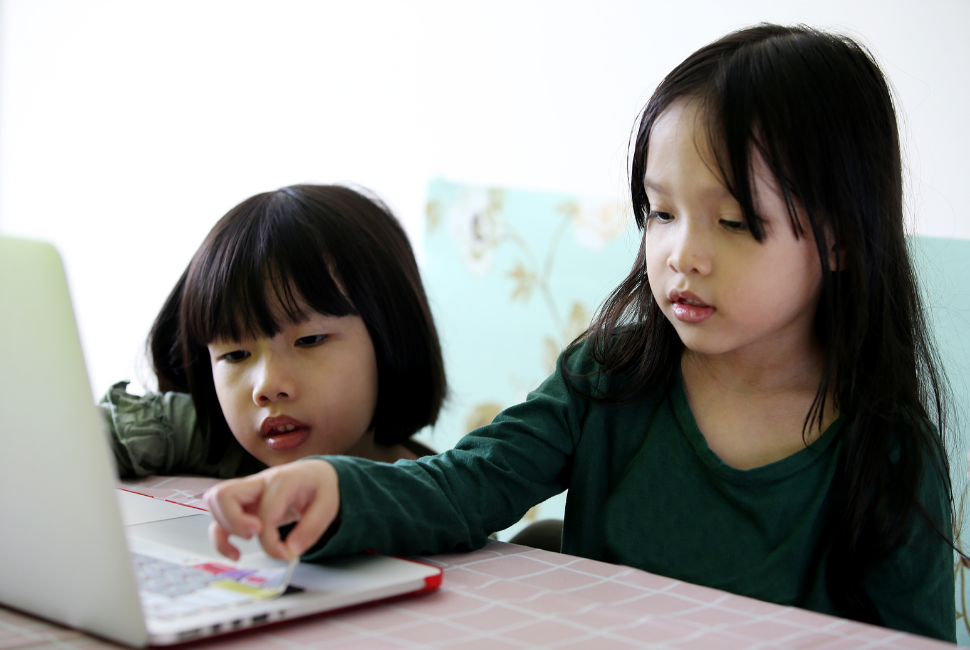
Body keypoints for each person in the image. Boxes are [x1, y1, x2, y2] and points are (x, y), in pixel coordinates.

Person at [203, 25, 958, 641]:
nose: (680, 255)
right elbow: (466, 487)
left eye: (732, 221)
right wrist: (331, 487)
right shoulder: (610, 376)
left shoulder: (886, 453)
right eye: (660, 212)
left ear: (841, 241)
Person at [101, 184, 447, 477]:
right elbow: (70, 443)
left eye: (309, 340)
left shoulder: (445, 499)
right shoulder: (207, 437)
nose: (266, 387)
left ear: (391, 337)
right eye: (235, 354)